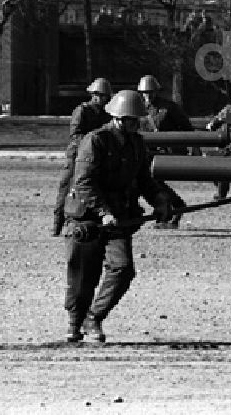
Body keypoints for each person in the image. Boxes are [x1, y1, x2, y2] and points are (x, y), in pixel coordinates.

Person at [61, 90, 173, 343]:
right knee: (82, 276)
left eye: (137, 121)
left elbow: (144, 179)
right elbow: (84, 182)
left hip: (119, 218)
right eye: (131, 120)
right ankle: (74, 323)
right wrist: (103, 212)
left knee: (122, 269)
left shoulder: (136, 143)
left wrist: (159, 201)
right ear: (118, 118)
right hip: (87, 218)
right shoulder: (95, 141)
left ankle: (94, 317)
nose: (135, 125)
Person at [53, 78, 113, 236]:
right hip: (77, 155)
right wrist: (91, 142)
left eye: (104, 96)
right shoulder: (82, 111)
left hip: (96, 157)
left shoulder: (107, 114)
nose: (101, 98)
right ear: (93, 95)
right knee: (65, 188)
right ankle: (57, 224)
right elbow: (75, 134)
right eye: (98, 95)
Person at [137, 75, 190, 228]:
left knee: (153, 181)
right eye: (145, 92)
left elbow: (186, 127)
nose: (148, 94)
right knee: (150, 183)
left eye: (151, 91)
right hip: (145, 152)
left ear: (156, 91)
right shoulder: (138, 108)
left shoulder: (169, 107)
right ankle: (172, 209)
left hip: (164, 152)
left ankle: (171, 210)